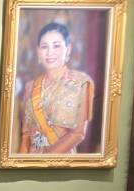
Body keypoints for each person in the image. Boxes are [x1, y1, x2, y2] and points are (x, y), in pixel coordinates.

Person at [17, 22, 95, 156]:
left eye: (56, 46)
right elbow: (26, 134)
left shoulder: (80, 83)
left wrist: (45, 158)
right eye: (44, 47)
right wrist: (21, 162)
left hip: (62, 161)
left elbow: (78, 134)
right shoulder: (30, 86)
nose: (49, 52)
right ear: (38, 51)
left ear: (68, 49)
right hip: (32, 159)